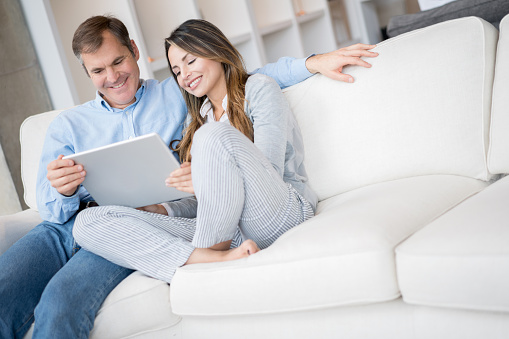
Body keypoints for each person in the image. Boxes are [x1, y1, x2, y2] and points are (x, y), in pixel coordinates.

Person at [0, 14, 377, 339]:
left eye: (118, 61)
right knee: (71, 235)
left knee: (59, 303)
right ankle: (209, 257)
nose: (113, 76)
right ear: (87, 72)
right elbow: (52, 213)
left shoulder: (193, 99)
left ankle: (211, 253)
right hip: (106, 219)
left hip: (219, 212)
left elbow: (245, 81)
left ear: (133, 50)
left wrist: (310, 62)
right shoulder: (72, 124)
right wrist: (67, 192)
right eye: (98, 70)